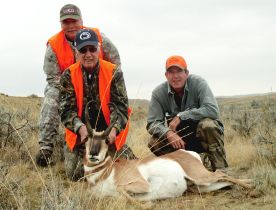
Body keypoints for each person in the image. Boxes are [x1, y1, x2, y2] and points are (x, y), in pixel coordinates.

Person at [36, 4, 121, 167]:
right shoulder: (54, 45)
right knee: (51, 95)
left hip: (97, 86)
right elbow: (53, 78)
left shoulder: (99, 38)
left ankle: (113, 141)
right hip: (67, 88)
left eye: (74, 21)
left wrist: (102, 85)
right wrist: (74, 90)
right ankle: (46, 148)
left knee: (114, 100)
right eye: (66, 22)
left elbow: (116, 62)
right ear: (61, 25)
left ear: (81, 20)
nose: (70, 26)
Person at [60, 28, 135, 181]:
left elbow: (120, 107)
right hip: (82, 136)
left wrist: (114, 130)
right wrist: (80, 128)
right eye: (83, 50)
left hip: (108, 135)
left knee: (127, 169)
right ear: (76, 52)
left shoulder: (114, 72)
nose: (88, 54)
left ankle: (116, 154)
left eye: (92, 49)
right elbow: (66, 111)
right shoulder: (68, 75)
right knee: (76, 175)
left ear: (99, 50)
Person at [146, 55, 228, 172]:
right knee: (155, 143)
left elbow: (212, 110)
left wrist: (182, 116)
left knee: (208, 125)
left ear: (186, 73)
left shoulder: (199, 83)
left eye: (179, 71)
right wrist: (168, 133)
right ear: (166, 75)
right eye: (171, 72)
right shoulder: (158, 93)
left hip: (201, 137)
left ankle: (221, 171)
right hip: (179, 141)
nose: (175, 76)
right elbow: (152, 123)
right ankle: (186, 171)